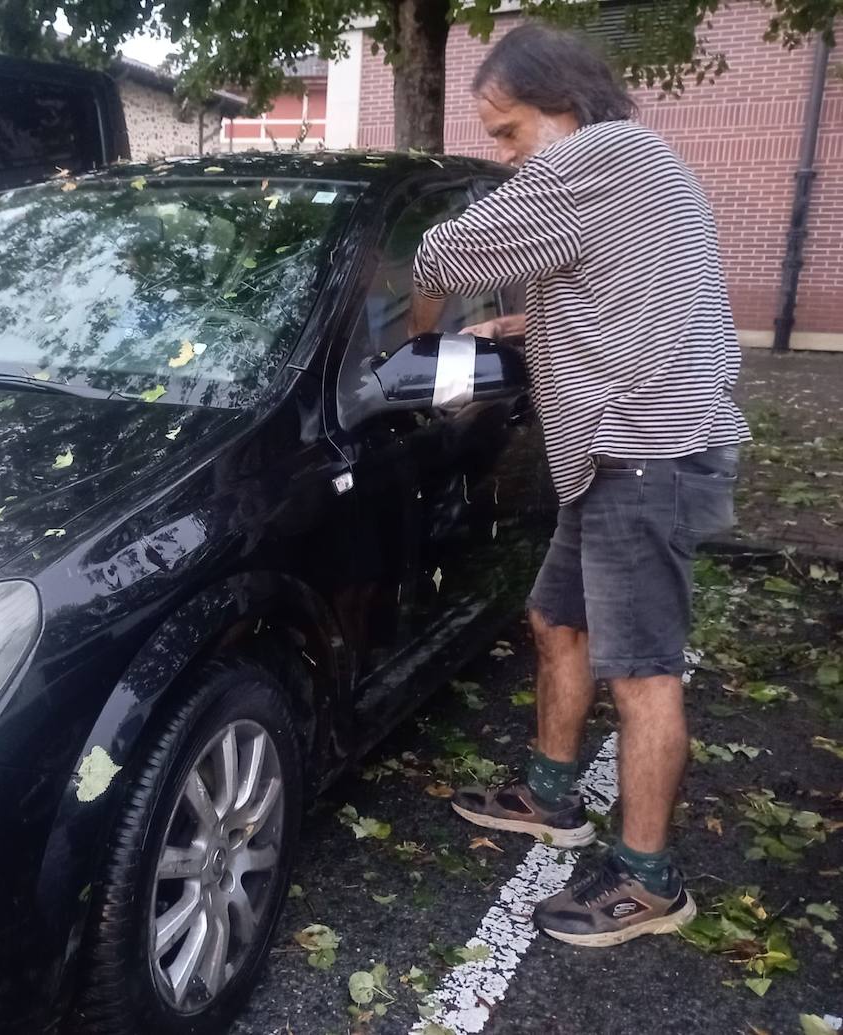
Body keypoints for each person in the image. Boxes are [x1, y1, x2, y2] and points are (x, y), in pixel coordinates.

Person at [408, 23, 750, 947]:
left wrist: (418, 334)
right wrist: (529, 323)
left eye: (510, 131)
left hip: (646, 451)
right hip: (622, 452)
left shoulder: (597, 156)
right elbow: (615, 284)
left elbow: (443, 256)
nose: (506, 156)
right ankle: (550, 796)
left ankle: (649, 883)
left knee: (641, 674)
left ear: (564, 107)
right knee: (556, 619)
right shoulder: (636, 168)